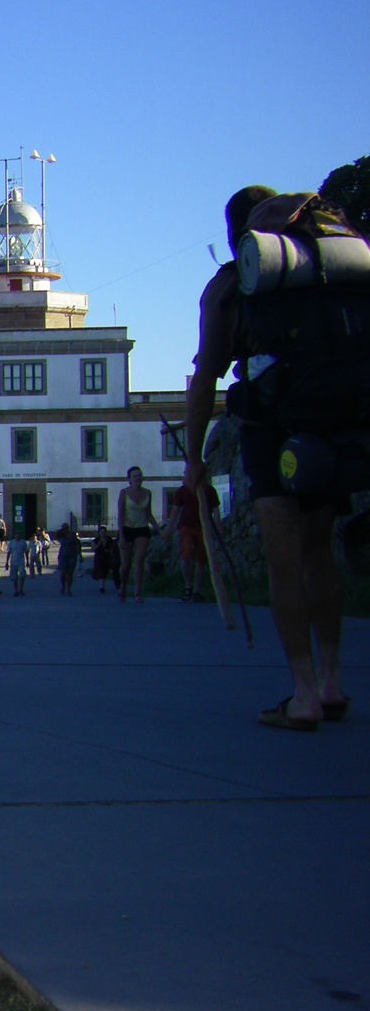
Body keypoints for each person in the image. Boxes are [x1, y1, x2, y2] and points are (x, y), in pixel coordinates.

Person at [183, 185, 355, 729]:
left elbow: (207, 375)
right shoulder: (326, 276)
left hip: (270, 427)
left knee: (284, 562)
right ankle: (332, 681)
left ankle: (302, 693)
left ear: (238, 233)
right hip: (331, 423)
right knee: (319, 553)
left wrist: (193, 459)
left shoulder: (234, 286)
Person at [165, 480, 219, 601]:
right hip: (186, 526)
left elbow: (215, 509)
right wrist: (169, 528)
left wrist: (217, 528)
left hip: (203, 526)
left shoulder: (209, 490)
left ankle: (196, 590)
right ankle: (188, 585)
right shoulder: (183, 490)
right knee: (186, 555)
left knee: (201, 558)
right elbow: (175, 510)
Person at [116, 467, 161, 602]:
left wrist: (159, 529)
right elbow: (120, 515)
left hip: (142, 529)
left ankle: (137, 592)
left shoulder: (147, 493)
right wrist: (121, 537)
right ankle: (123, 586)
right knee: (125, 565)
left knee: (139, 560)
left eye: (139, 476)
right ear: (129, 479)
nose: (137, 478)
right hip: (127, 528)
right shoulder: (124, 493)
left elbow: (148, 514)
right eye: (134, 476)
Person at [56, 523, 83, 596]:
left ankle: (68, 589)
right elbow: (56, 534)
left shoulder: (73, 534)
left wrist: (80, 555)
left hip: (72, 555)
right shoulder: (61, 535)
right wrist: (62, 530)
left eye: (66, 528)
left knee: (70, 573)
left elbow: (77, 544)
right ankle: (63, 586)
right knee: (63, 572)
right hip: (63, 556)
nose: (66, 529)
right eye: (64, 528)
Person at [92, 527, 120, 595]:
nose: (103, 533)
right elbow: (93, 548)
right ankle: (102, 587)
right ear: (99, 533)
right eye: (101, 532)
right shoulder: (96, 540)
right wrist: (99, 544)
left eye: (104, 532)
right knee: (101, 571)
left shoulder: (109, 539)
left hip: (107, 557)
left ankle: (118, 584)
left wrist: (110, 551)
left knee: (106, 570)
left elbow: (112, 547)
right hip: (99, 557)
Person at [6, 531, 29, 596]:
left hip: (21, 561)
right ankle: (16, 590)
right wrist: (6, 562)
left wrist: (27, 561)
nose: (18, 535)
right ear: (14, 535)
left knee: (22, 575)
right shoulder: (11, 543)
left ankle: (21, 589)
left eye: (19, 533)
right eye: (16, 534)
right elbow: (9, 552)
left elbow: (26, 552)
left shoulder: (23, 542)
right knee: (14, 576)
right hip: (13, 561)